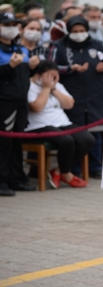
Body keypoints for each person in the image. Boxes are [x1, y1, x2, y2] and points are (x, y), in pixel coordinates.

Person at [46, 15, 103, 179]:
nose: (79, 34)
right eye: (75, 31)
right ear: (69, 31)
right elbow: (49, 67)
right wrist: (70, 68)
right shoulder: (58, 46)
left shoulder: (97, 44)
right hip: (71, 95)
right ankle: (72, 168)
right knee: (76, 133)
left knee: (95, 131)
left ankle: (95, 167)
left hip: (94, 93)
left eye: (82, 31)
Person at [26, 60, 94, 189]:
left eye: (56, 76)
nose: (54, 79)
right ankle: (66, 174)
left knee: (87, 139)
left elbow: (69, 104)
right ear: (40, 74)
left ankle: (58, 171)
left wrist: (53, 88)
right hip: (39, 125)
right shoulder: (29, 86)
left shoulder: (57, 85)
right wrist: (46, 88)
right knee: (66, 140)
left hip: (61, 122)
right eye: (50, 76)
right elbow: (37, 107)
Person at [0, 12, 39, 196]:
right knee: (4, 143)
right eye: (7, 24)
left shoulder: (19, 48)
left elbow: (24, 76)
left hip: (20, 100)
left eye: (14, 24)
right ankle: (2, 181)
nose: (11, 27)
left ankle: (16, 178)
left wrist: (31, 68)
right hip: (4, 102)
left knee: (17, 141)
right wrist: (10, 67)